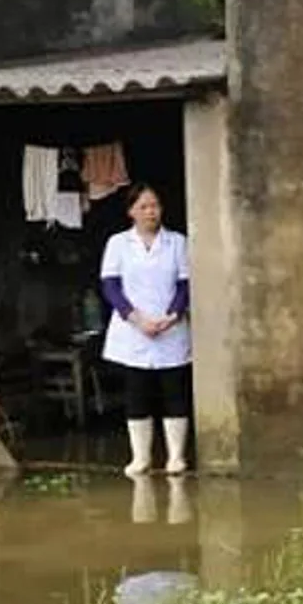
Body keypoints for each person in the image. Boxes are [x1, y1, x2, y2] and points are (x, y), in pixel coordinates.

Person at [100, 184, 192, 477]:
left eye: (155, 206)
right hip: (134, 330)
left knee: (173, 391)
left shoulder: (177, 242)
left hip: (170, 328)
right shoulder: (118, 243)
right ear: (131, 212)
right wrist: (136, 318)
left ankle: (175, 457)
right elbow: (111, 286)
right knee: (137, 392)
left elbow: (185, 284)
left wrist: (172, 316)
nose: (151, 212)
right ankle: (140, 458)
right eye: (144, 207)